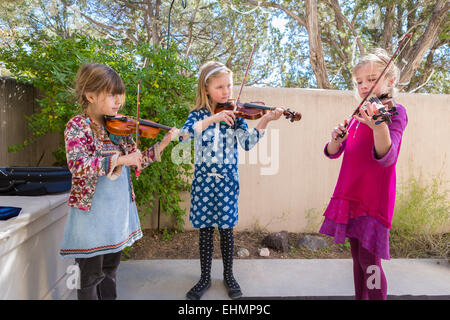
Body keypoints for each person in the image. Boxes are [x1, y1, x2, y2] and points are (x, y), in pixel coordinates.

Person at [60, 63, 178, 300]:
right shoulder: (77, 127)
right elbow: (78, 165)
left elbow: (138, 161)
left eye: (120, 96)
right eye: (112, 95)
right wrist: (120, 159)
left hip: (116, 213)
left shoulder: (119, 128)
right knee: (89, 276)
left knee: (110, 272)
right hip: (91, 215)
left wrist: (163, 143)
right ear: (90, 95)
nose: (119, 102)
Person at [179, 61, 283, 300]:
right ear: (206, 89)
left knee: (226, 230)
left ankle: (229, 275)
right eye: (220, 87)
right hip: (204, 182)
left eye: (229, 86)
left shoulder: (236, 116)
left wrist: (265, 121)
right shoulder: (197, 116)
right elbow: (183, 137)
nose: (226, 92)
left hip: (226, 182)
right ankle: (204, 278)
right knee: (205, 230)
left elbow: (247, 144)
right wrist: (213, 120)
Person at [319, 48, 408, 300]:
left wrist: (379, 125)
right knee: (358, 258)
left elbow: (386, 156)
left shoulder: (394, 113)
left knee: (370, 264)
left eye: (371, 79)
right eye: (359, 82)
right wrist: (335, 139)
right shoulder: (359, 115)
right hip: (350, 195)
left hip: (371, 200)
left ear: (390, 80)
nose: (364, 85)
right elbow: (333, 152)